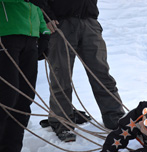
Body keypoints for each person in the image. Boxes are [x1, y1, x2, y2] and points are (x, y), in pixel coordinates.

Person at [43, 0, 125, 142]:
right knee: (61, 76)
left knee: (101, 73)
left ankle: (114, 117)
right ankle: (62, 123)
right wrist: (46, 16)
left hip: (89, 21)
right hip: (60, 23)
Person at [0, 0, 50, 152]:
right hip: (6, 33)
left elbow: (37, 6)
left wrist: (43, 30)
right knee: (6, 98)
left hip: (31, 37)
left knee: (24, 98)